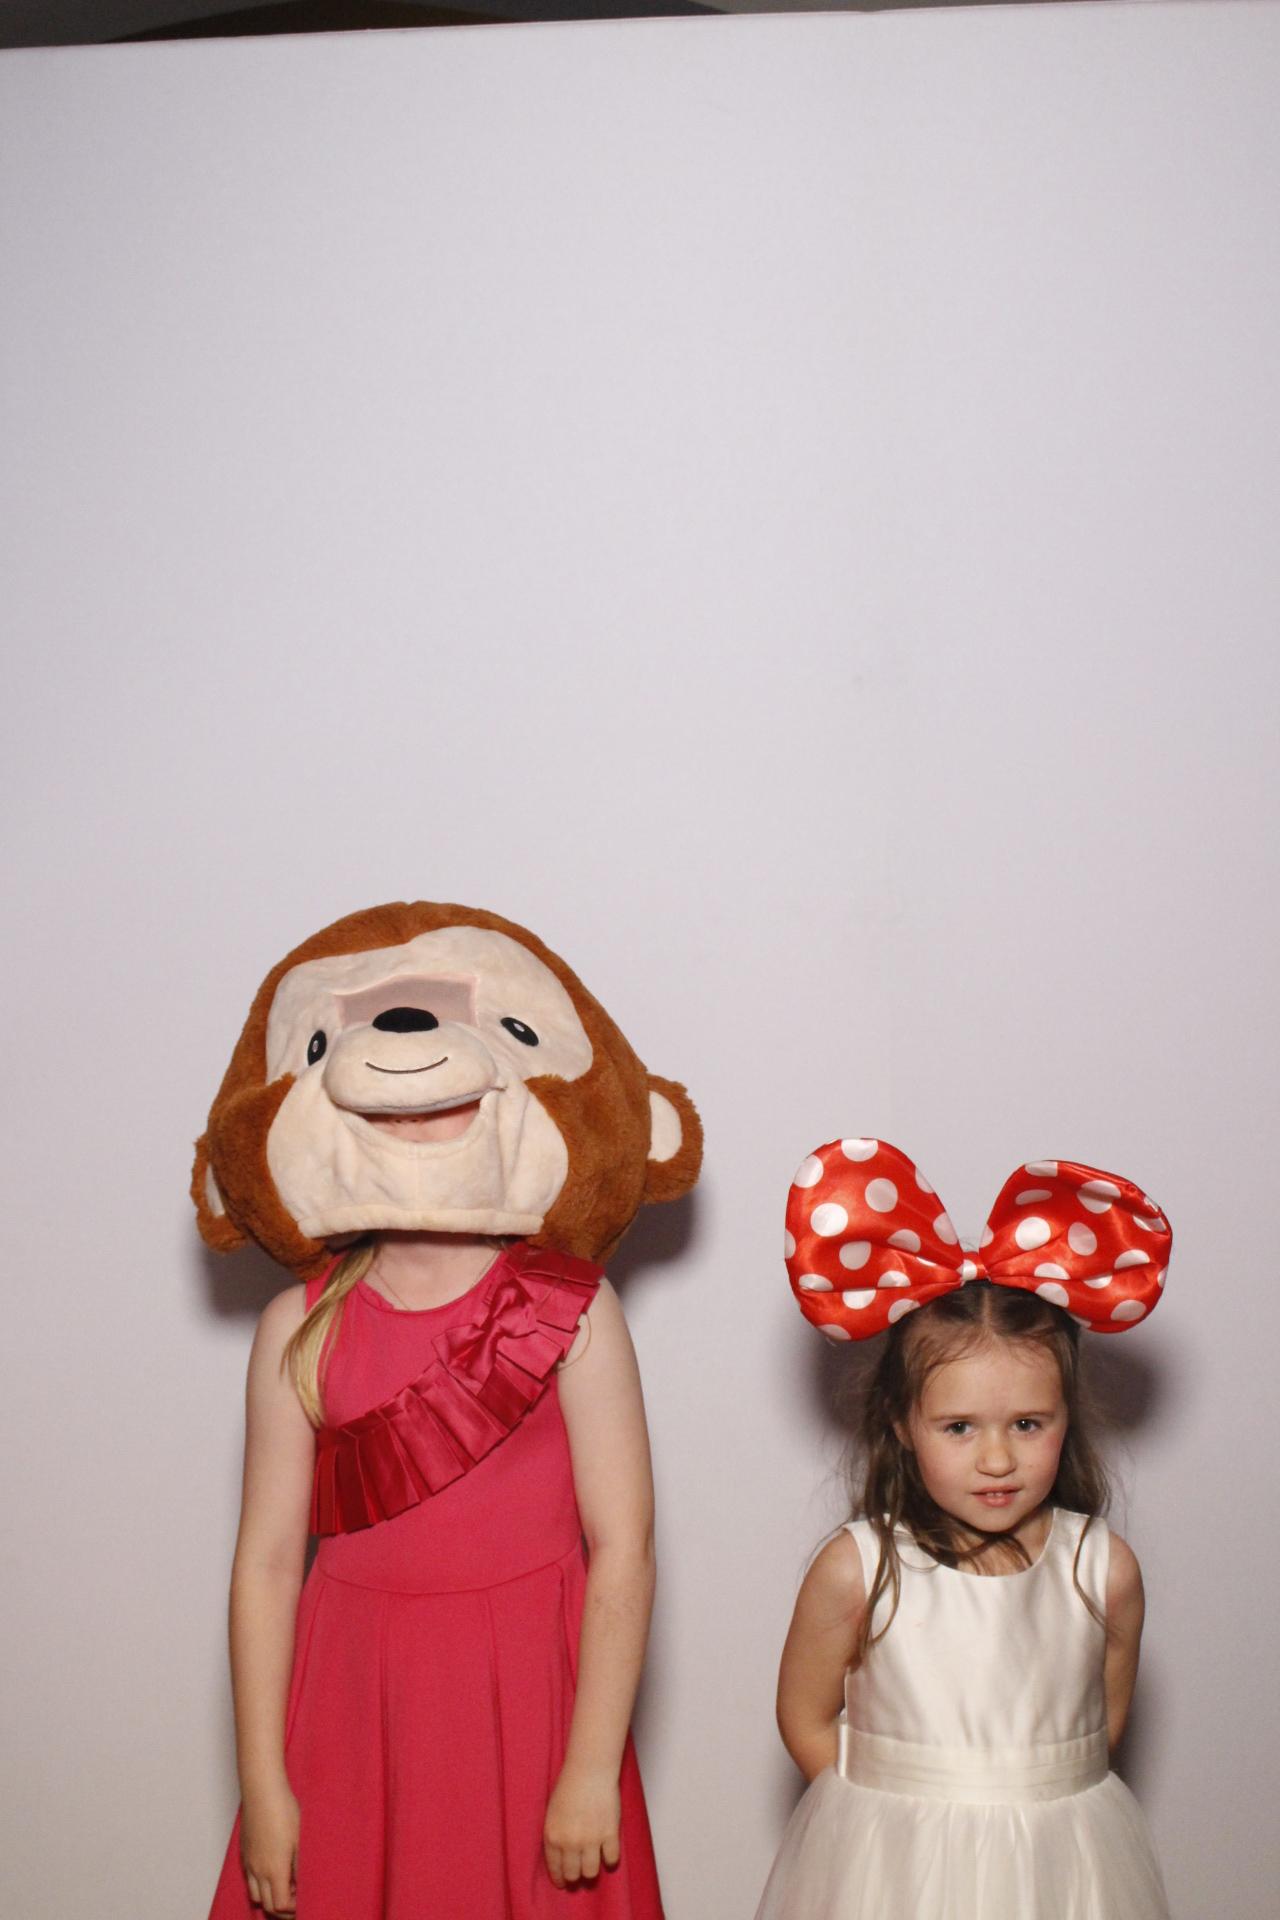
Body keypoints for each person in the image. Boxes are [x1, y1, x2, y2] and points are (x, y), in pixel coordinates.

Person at [195, 902, 702, 1919]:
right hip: (350, 1701)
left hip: (535, 1699)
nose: (411, 1108)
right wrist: (264, 1782)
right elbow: (266, 1565)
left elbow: (624, 1549)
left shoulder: (575, 1310)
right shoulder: (297, 1329)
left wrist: (590, 1766)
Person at [756, 1138, 1171, 1920]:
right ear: (901, 1423)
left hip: (1058, 1875)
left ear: (1067, 1417)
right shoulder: (855, 1569)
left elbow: (1099, 1728)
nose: (997, 1458)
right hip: (897, 1877)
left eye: (1027, 1423)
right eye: (958, 1427)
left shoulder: (1103, 1569)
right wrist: (880, 1826)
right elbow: (804, 1717)